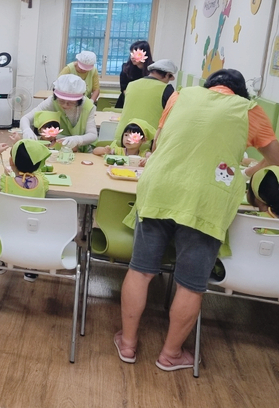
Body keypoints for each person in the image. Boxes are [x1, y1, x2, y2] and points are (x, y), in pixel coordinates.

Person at [116, 69, 279, 372]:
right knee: (190, 285)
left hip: (160, 188)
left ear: (208, 87)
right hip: (207, 199)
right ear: (240, 93)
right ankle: (170, 354)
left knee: (140, 271)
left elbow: (158, 145)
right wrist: (250, 170)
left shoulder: (180, 95)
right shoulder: (249, 109)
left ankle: (127, 344)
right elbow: (276, 157)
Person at [0, 139, 51, 281]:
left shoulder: (4, 182)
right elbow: (35, 173)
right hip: (33, 234)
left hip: (6, 235)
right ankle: (31, 268)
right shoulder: (42, 182)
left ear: (11, 162)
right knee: (32, 229)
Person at [19, 74, 97, 152]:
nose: (65, 105)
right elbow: (26, 118)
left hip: (82, 151)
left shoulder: (88, 106)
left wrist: (78, 139)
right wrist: (26, 130)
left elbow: (92, 134)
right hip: (59, 148)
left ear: (80, 99)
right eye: (61, 101)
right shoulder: (52, 101)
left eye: (71, 102)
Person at [113, 59, 177, 143]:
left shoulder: (131, 85)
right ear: (167, 75)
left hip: (123, 138)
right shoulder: (167, 89)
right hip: (146, 141)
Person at [115, 40, 154, 108]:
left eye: (136, 54)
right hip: (127, 101)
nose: (132, 57)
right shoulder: (126, 69)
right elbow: (124, 89)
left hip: (146, 103)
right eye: (131, 53)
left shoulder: (153, 69)